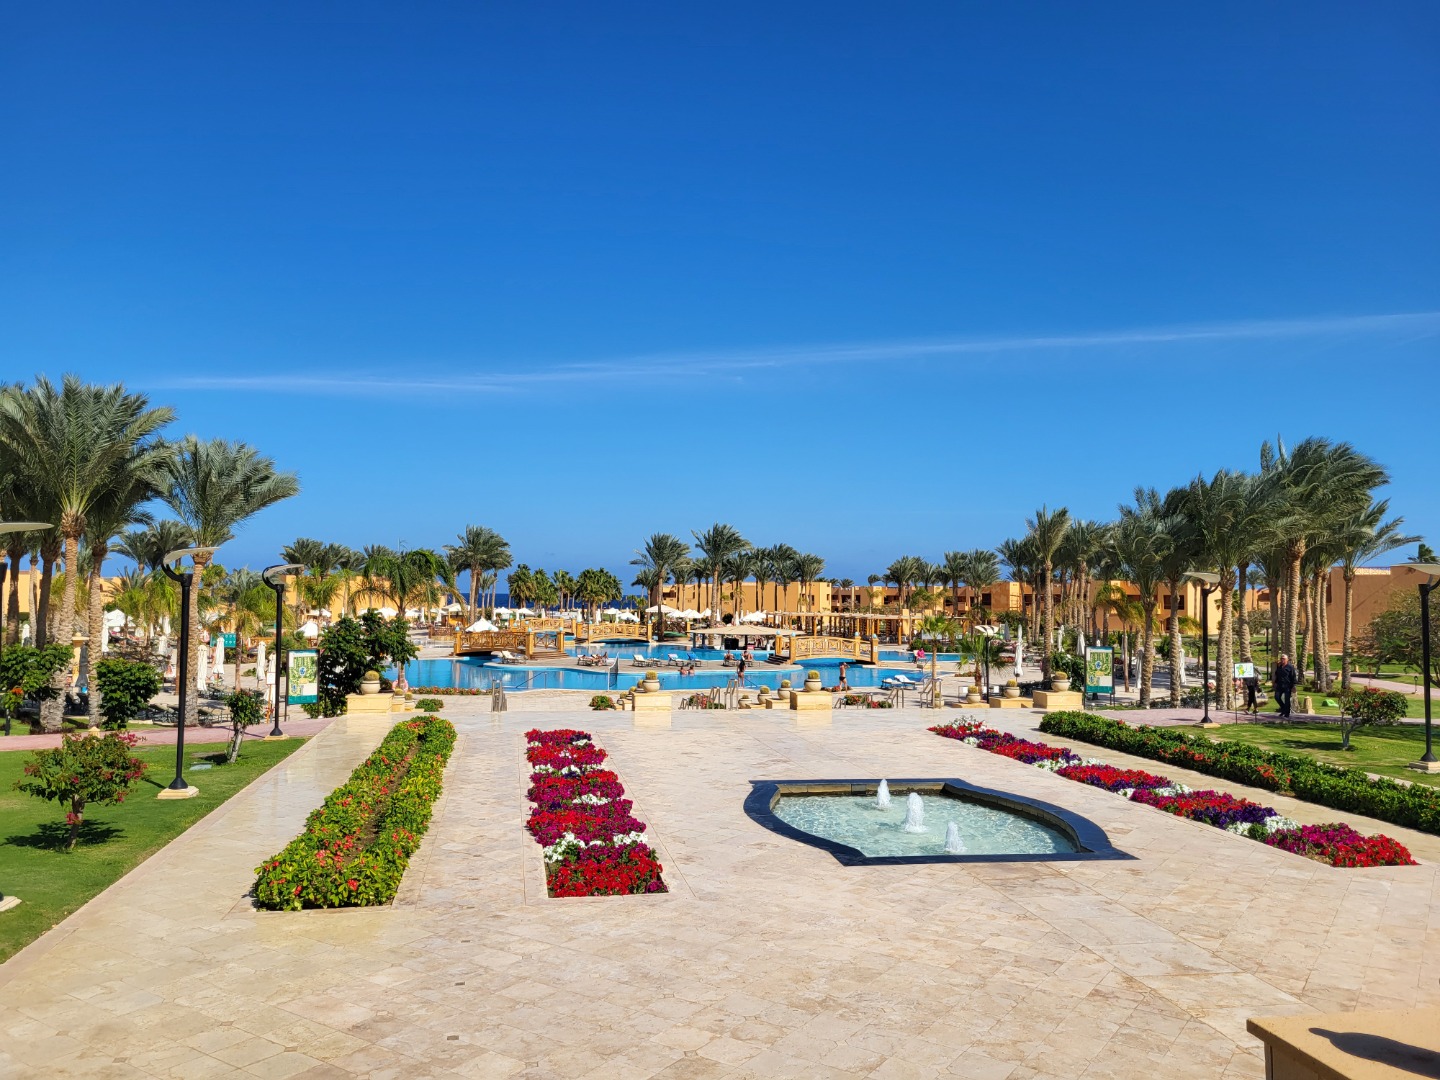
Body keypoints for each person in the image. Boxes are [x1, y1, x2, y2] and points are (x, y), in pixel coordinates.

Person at [1273, 654, 1298, 718]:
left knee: (1287, 700)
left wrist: (1294, 685)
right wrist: (1275, 683)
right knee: (1277, 697)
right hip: (1279, 685)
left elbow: (1293, 676)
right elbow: (1277, 675)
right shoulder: (1279, 666)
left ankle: (1287, 713)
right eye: (1281, 658)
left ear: (1287, 660)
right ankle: (1283, 708)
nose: (1282, 660)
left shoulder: (1290, 667)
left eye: (1284, 659)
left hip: (1287, 685)